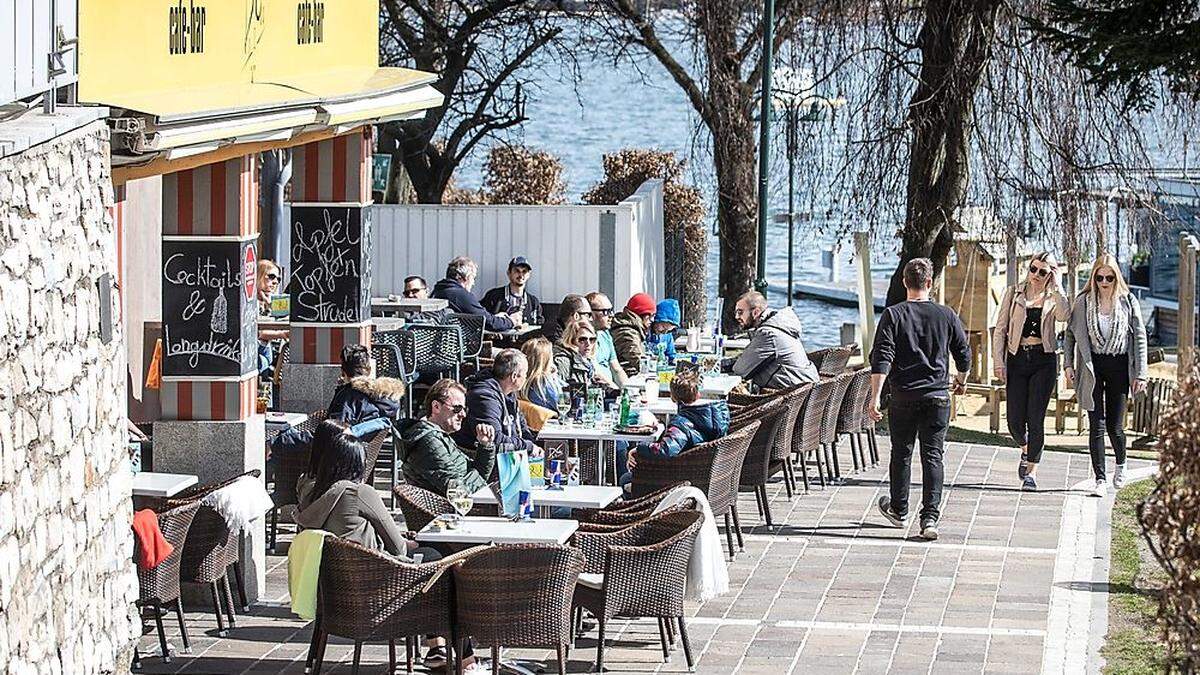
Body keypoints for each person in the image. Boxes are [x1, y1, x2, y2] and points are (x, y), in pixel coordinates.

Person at [296, 421, 481, 671]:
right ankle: (465, 659)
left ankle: (437, 646)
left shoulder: (309, 489)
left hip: (339, 589)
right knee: (443, 565)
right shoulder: (359, 492)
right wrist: (408, 540)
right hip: (381, 585)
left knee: (431, 556)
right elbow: (398, 549)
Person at [868, 258, 971, 541]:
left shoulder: (893, 315)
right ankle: (929, 519)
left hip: (904, 395)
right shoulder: (946, 315)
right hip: (938, 395)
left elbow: (882, 358)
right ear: (930, 283)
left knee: (901, 452)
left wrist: (875, 397)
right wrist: (961, 381)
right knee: (933, 456)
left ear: (904, 283)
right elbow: (963, 353)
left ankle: (899, 509)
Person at [1064, 254, 1148, 496]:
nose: (1104, 282)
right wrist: (1068, 365)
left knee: (1115, 427)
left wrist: (1140, 374)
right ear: (1093, 277)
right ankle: (1100, 478)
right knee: (1096, 425)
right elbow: (1071, 334)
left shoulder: (1128, 301)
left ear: (1116, 277)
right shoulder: (1083, 302)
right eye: (1099, 277)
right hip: (1093, 366)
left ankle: (1121, 465)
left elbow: (1140, 338)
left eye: (1109, 278)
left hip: (1120, 366)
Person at [992, 252, 1070, 491]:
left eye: (1043, 272)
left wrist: (1057, 288)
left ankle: (1032, 473)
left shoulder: (1053, 296)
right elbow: (1000, 329)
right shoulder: (1013, 292)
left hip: (1043, 360)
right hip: (1017, 359)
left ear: (1051, 274)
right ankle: (1026, 450)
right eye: (1034, 269)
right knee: (1015, 421)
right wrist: (998, 361)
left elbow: (1065, 315)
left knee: (1036, 419)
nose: (1036, 275)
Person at [271, 344, 406, 458]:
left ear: (342, 371)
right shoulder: (383, 397)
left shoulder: (349, 396)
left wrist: (279, 440)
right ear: (369, 370)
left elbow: (332, 435)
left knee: (278, 440)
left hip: (334, 457)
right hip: (357, 455)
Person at [621, 366, 730, 487]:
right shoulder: (718, 416)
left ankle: (637, 505)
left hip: (678, 480)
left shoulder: (681, 423)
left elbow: (665, 450)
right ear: (698, 394)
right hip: (710, 478)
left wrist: (638, 449)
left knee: (625, 479)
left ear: (672, 397)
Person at [397, 379, 500, 495]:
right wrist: (478, 476)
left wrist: (485, 445)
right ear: (436, 407)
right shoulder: (429, 441)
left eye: (464, 409)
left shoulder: (438, 436)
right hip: (450, 510)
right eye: (457, 408)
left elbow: (474, 475)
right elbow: (458, 491)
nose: (463, 415)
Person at [722, 291, 819, 390]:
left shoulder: (769, 334)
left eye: (740, 312)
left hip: (791, 397)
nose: (736, 317)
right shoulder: (779, 326)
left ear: (756, 312)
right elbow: (750, 360)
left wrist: (722, 366)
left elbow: (740, 370)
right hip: (804, 392)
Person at [454, 348, 540, 454]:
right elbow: (495, 439)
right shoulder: (484, 397)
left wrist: (535, 443)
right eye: (525, 374)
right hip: (478, 458)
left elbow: (522, 428)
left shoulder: (508, 394)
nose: (526, 377)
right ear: (514, 376)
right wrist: (529, 447)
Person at [431, 256, 521, 332]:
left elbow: (482, 317)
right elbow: (489, 323)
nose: (473, 283)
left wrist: (496, 317)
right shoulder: (461, 295)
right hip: (459, 349)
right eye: (473, 278)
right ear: (465, 277)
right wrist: (511, 321)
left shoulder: (438, 290)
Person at [554, 319, 617, 393]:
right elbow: (558, 393)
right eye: (582, 339)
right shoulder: (562, 362)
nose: (588, 344)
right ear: (571, 341)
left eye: (592, 339)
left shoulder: (589, 362)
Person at [481, 256, 543, 326]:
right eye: (517, 271)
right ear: (509, 273)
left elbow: (540, 326)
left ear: (528, 275)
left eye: (524, 271)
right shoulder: (493, 296)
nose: (521, 275)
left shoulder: (533, 302)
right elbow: (480, 318)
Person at [586, 291, 628, 387]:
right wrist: (616, 390)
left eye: (611, 310)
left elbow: (616, 369)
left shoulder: (605, 334)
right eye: (606, 312)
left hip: (613, 391)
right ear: (591, 314)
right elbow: (596, 374)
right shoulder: (583, 340)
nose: (611, 315)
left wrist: (627, 390)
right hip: (599, 391)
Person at [610, 292, 657, 377]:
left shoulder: (632, 329)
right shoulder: (627, 333)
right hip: (627, 377)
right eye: (651, 315)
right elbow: (638, 360)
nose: (652, 320)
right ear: (643, 314)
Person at [520, 337, 563, 411]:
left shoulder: (522, 383)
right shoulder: (544, 384)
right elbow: (564, 402)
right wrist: (553, 377)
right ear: (546, 360)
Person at [648, 298, 681, 364]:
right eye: (663, 327)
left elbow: (671, 355)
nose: (664, 332)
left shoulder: (667, 335)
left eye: (668, 330)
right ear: (656, 320)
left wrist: (674, 362)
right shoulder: (646, 332)